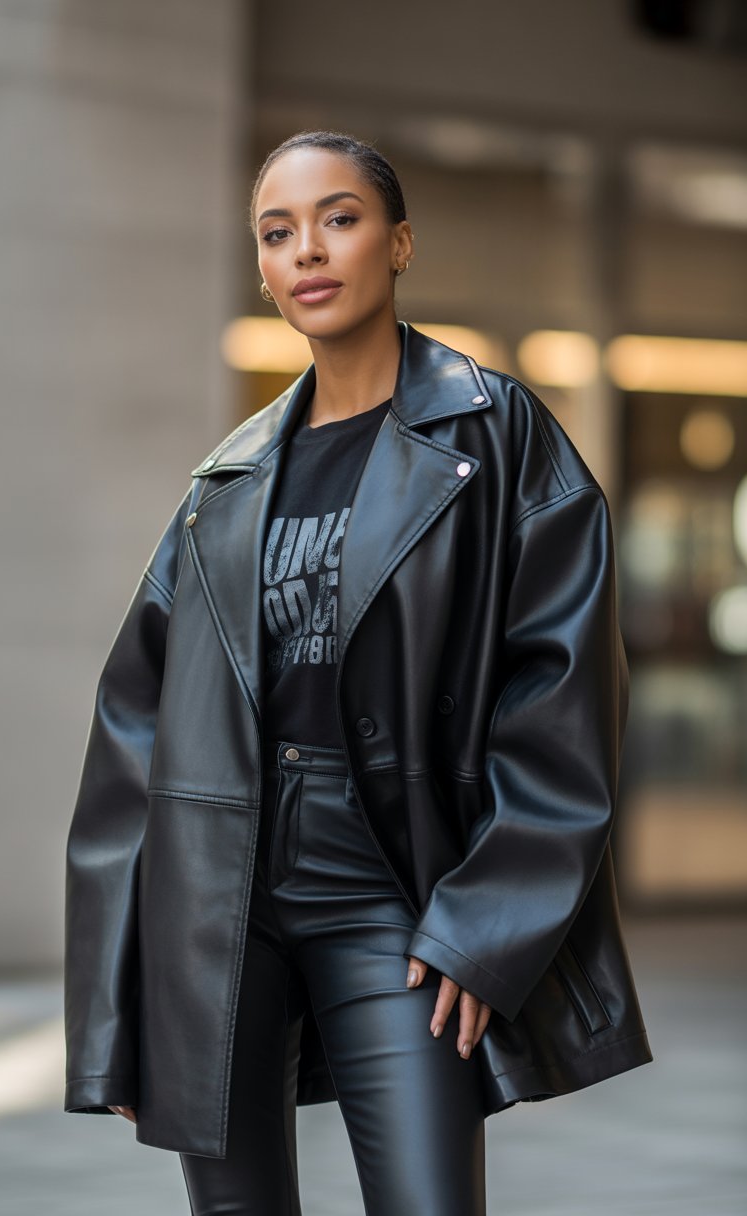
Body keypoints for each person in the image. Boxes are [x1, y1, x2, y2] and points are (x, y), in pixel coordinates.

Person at [63, 130, 653, 1216]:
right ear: (261, 266)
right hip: (221, 888)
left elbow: (564, 691)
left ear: (400, 243)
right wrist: (119, 1011)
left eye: (339, 218)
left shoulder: (492, 431)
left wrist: (485, 922)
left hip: (389, 877)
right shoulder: (226, 480)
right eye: (276, 232)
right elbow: (131, 741)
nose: (307, 250)